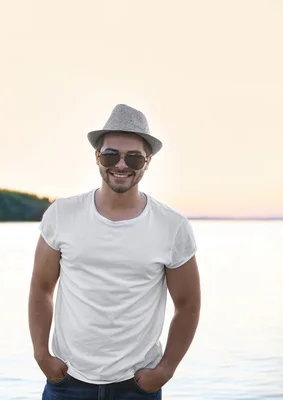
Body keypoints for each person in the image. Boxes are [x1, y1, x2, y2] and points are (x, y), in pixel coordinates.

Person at [28, 104, 201, 399]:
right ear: (97, 156)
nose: (121, 165)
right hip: (67, 382)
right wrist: (42, 355)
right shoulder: (62, 215)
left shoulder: (171, 226)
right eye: (111, 154)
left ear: (147, 162)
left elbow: (188, 305)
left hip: (136, 387)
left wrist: (165, 370)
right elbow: (42, 288)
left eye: (133, 157)